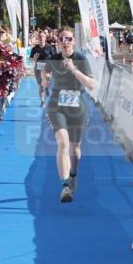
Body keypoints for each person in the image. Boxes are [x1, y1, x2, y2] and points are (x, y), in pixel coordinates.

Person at [41, 27, 96, 204]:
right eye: (62, 39)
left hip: (77, 107)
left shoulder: (81, 59)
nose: (65, 42)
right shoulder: (54, 59)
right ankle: (65, 185)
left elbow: (91, 85)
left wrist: (73, 69)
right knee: (63, 143)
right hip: (57, 106)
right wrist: (45, 79)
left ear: (74, 41)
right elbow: (44, 69)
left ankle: (73, 175)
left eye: (69, 39)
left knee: (75, 148)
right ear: (57, 41)